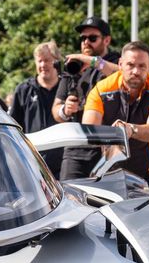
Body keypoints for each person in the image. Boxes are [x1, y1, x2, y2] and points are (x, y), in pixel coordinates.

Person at [82, 41, 149, 194]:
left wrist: (130, 129)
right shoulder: (101, 89)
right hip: (111, 169)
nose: (136, 71)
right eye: (130, 65)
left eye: (142, 66)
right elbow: (89, 129)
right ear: (120, 64)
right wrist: (112, 136)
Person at [52, 17, 121, 179]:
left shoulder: (113, 62)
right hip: (75, 149)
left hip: (107, 148)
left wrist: (93, 62)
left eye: (92, 38)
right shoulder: (73, 66)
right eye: (83, 38)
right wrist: (65, 110)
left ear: (107, 40)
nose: (86, 42)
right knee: (71, 199)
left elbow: (124, 76)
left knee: (107, 201)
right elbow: (56, 108)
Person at [9, 41, 63, 176]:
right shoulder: (24, 90)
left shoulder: (67, 88)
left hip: (64, 163)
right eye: (39, 61)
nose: (43, 65)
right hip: (33, 163)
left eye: (47, 60)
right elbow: (13, 127)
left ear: (56, 62)